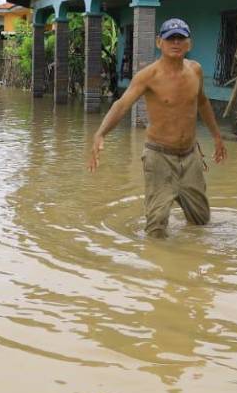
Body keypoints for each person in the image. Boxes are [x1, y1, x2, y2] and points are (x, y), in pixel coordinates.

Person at [87, 17, 227, 237]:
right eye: (170, 38)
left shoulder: (195, 70)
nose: (176, 43)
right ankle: (157, 268)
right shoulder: (148, 76)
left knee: (201, 222)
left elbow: (203, 102)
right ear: (158, 42)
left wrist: (217, 137)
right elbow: (121, 104)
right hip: (159, 156)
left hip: (191, 157)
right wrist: (100, 133)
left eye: (181, 38)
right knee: (156, 227)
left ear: (189, 43)